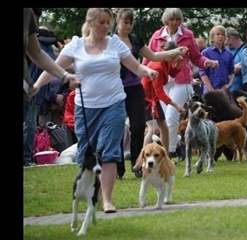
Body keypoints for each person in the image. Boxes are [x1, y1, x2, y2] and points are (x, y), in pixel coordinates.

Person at [33, 8, 159, 214]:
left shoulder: (115, 44)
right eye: (102, 22)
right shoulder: (76, 45)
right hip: (86, 108)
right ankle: (93, 191)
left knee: (109, 151)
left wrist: (148, 71)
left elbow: (136, 67)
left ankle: (107, 200)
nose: (106, 26)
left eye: (108, 23)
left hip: (114, 104)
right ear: (90, 22)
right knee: (86, 154)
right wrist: (37, 85)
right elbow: (53, 68)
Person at [114, 8, 188, 178]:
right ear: (117, 21)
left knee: (139, 127)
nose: (128, 25)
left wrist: (175, 52)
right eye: (125, 21)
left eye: (131, 22)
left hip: (135, 88)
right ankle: (118, 168)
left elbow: (154, 55)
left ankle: (137, 165)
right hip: (116, 89)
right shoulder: (111, 41)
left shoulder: (135, 40)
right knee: (117, 128)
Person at [142, 8, 219, 159]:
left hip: (181, 81)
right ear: (166, 20)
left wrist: (207, 62)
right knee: (163, 121)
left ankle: (168, 152)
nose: (175, 22)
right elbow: (147, 58)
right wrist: (142, 72)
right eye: (172, 19)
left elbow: (197, 58)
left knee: (170, 118)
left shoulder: (188, 35)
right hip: (161, 81)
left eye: (178, 19)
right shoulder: (157, 36)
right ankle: (177, 142)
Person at [23, 8, 77, 166]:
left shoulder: (27, 15)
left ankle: (26, 158)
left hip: (26, 87)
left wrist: (64, 75)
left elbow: (37, 54)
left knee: (29, 125)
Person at [142, 41, 186, 153]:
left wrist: (178, 65)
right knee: (153, 129)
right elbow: (160, 93)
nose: (176, 59)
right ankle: (142, 159)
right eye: (174, 57)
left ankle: (165, 157)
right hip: (145, 99)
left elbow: (171, 74)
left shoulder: (165, 62)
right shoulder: (158, 66)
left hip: (153, 99)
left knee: (164, 129)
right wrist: (176, 105)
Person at [199, 25, 234, 94]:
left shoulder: (228, 54)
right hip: (210, 91)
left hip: (224, 91)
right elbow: (202, 73)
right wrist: (210, 89)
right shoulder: (206, 53)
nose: (220, 36)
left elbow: (232, 72)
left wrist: (230, 84)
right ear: (212, 37)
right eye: (218, 34)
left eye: (223, 35)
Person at [225, 27, 246, 93]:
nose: (224, 43)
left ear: (231, 38)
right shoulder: (227, 50)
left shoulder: (246, 49)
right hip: (229, 89)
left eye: (225, 40)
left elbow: (243, 65)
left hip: (241, 88)